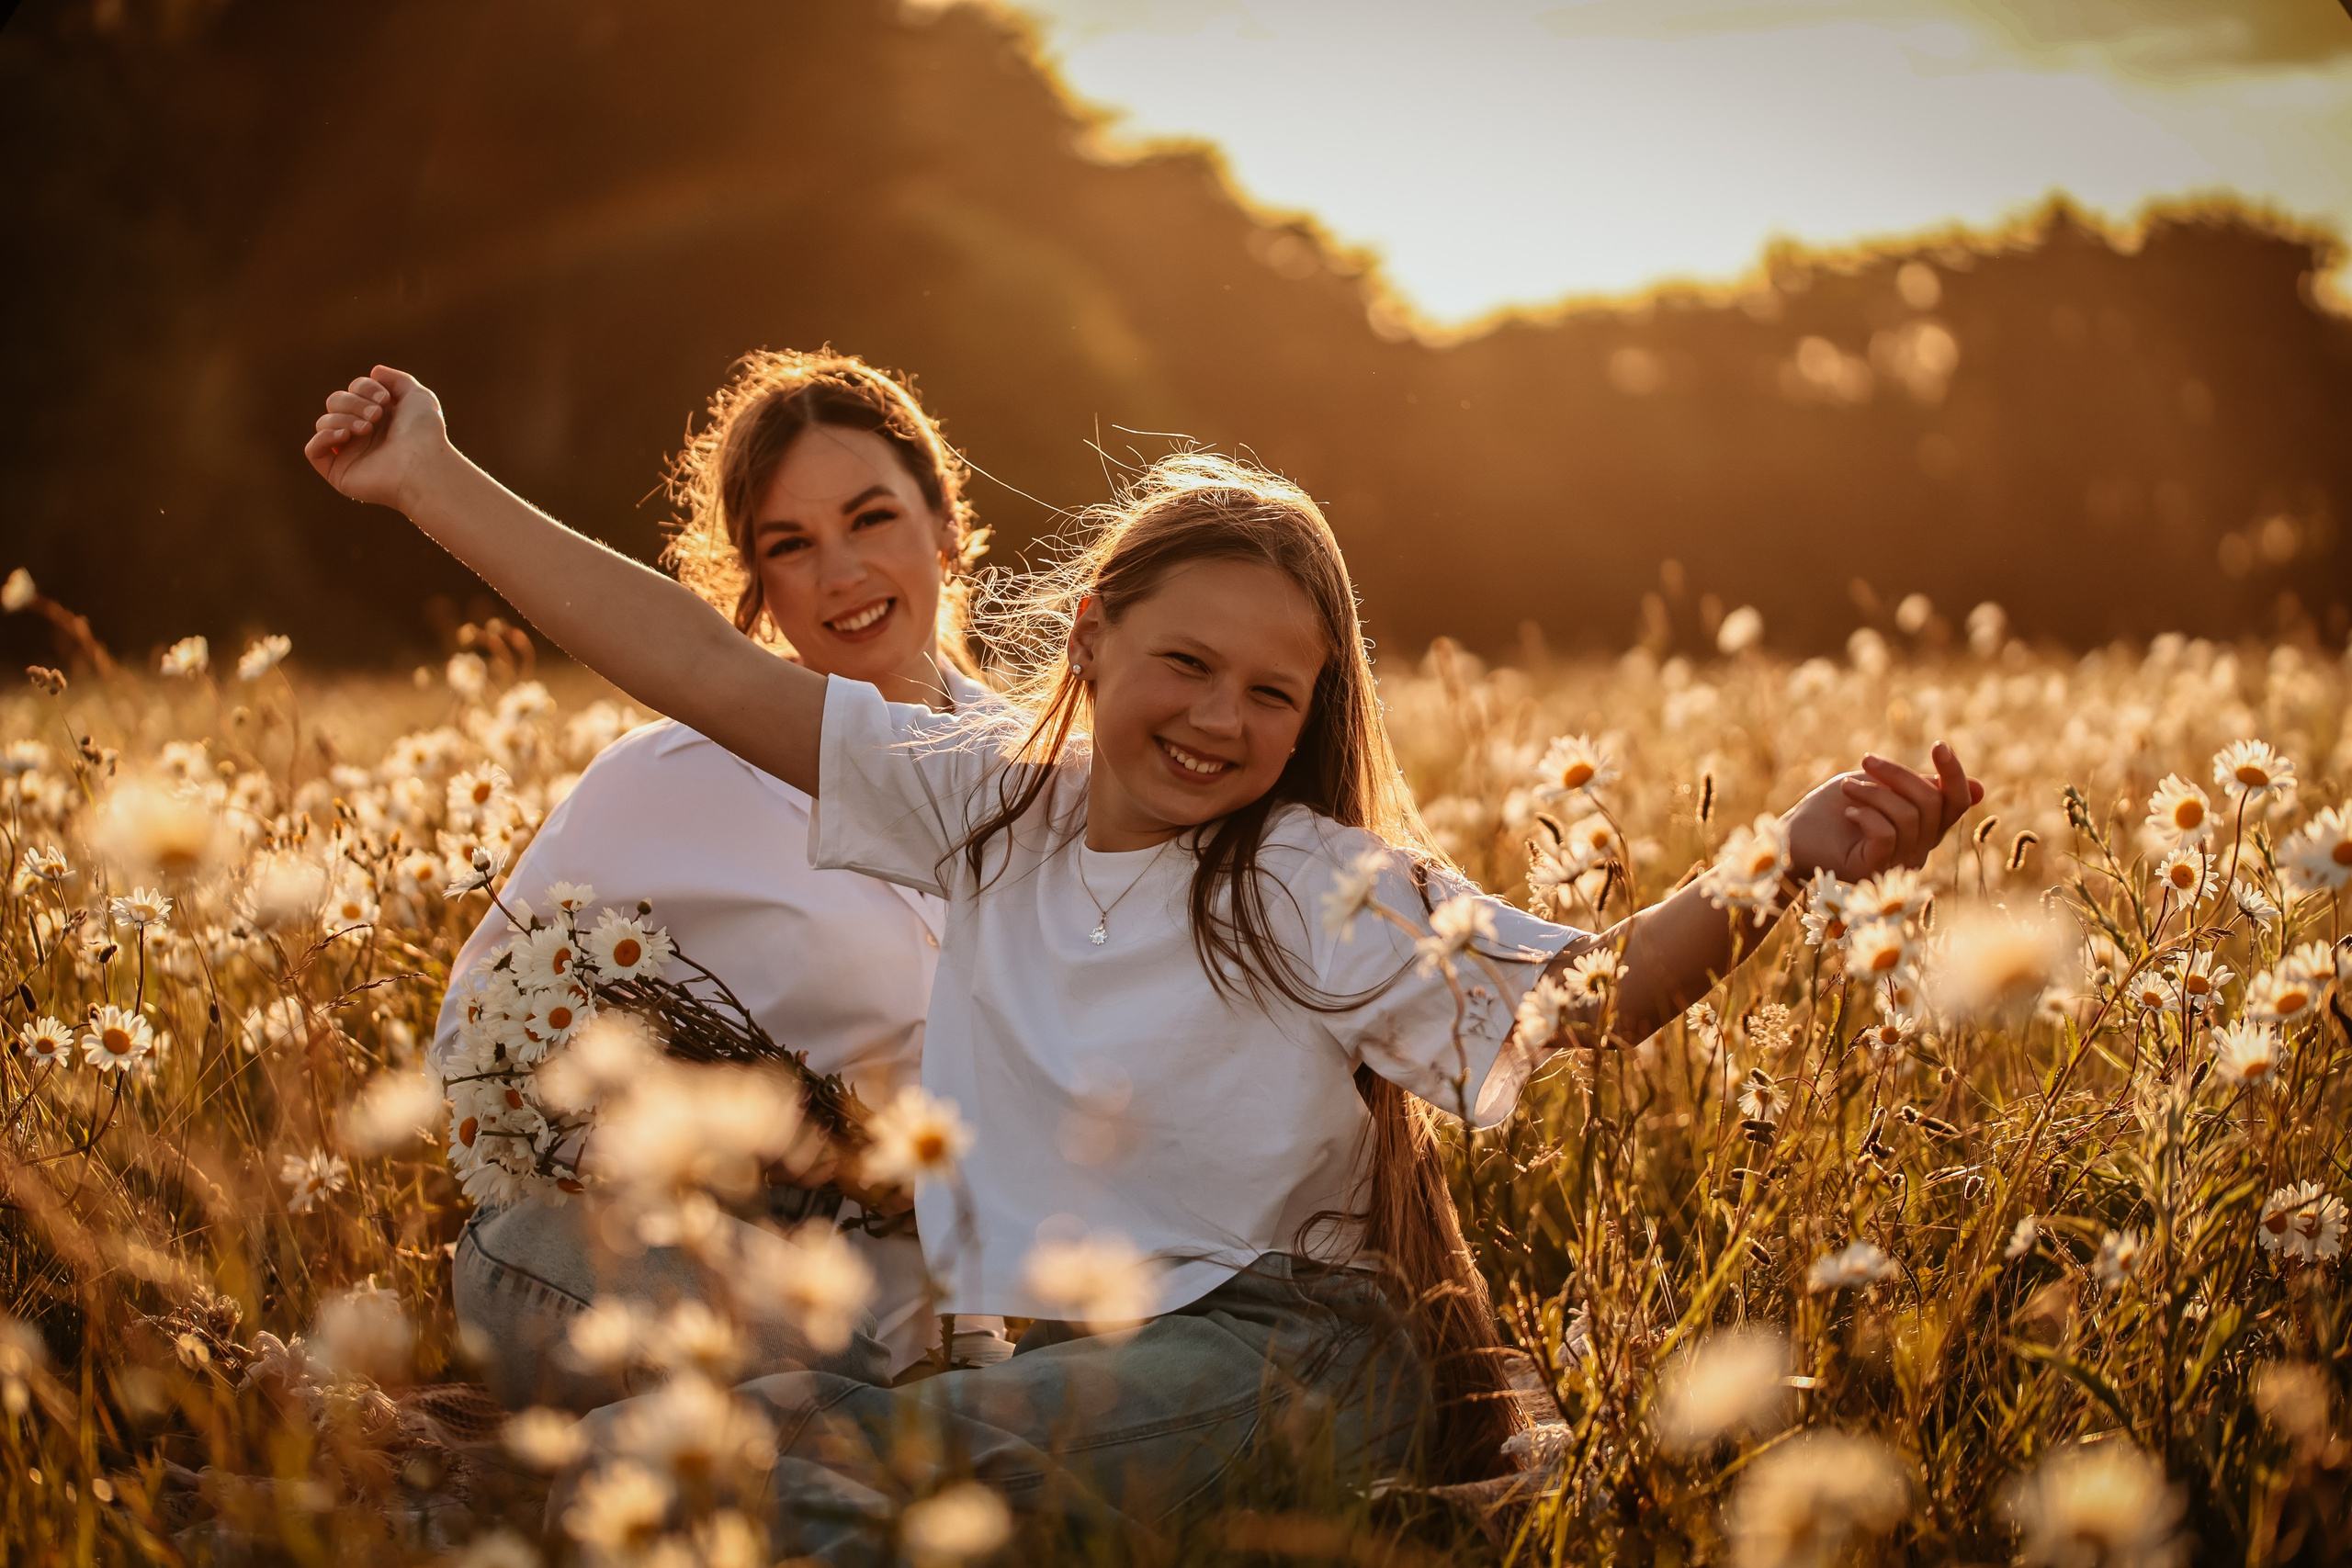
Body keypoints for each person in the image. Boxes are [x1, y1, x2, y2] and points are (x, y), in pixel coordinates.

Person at [304, 367, 1981, 1554]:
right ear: (1092, 636)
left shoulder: (1307, 879)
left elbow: (1585, 998)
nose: (1221, 720)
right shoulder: (976, 805)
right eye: (1184, 661)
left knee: (821, 1473)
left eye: (1275, 694)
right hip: (1059, 1338)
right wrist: (428, 477)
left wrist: (1780, 858)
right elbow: (686, 657)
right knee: (555, 1285)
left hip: (1292, 1353)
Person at [431, 351, 1009, 1407]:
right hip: (691, 1251)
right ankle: (833, 1427)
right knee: (664, 1306)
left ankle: (858, 1431)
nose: (839, 574)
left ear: (946, 526)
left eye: (872, 518)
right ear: (753, 580)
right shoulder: (660, 783)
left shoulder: (1042, 777)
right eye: (791, 545)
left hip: (950, 1298)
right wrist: (680, 1122)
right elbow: (473, 1037)